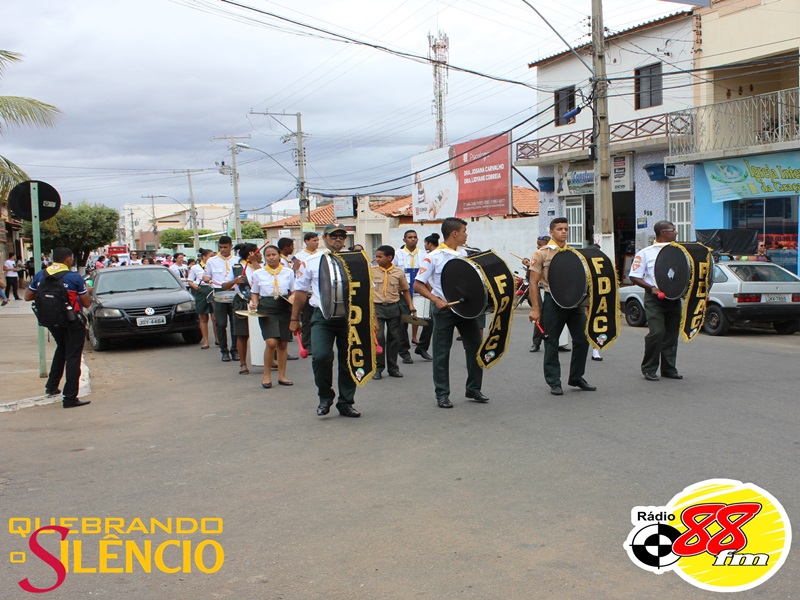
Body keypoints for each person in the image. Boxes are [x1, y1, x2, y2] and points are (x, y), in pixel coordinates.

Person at [414, 217, 489, 408]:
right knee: (441, 352)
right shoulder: (433, 257)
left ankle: (473, 388)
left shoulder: (466, 254)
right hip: (444, 309)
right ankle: (442, 393)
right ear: (454, 233)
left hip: (466, 309)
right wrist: (436, 300)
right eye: (464, 231)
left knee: (475, 347)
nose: (466, 234)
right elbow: (418, 284)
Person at [290, 222, 362, 418]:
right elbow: (301, 291)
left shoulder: (356, 261)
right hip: (322, 316)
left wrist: (371, 319)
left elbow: (365, 292)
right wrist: (294, 318)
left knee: (348, 361)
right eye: (333, 236)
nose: (337, 239)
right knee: (321, 357)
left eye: (341, 236)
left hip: (349, 318)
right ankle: (325, 396)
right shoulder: (312, 262)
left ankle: (346, 402)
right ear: (324, 238)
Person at [528, 217, 596, 396]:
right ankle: (554, 381)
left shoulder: (574, 253)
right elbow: (533, 283)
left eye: (566, 228)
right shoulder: (542, 253)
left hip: (574, 302)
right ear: (551, 232)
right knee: (551, 342)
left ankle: (576, 377)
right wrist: (536, 309)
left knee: (582, 339)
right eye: (559, 229)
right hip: (553, 301)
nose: (564, 232)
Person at [24, 247, 92, 408]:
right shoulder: (74, 277)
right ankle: (70, 398)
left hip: (51, 321)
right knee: (73, 356)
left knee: (61, 349)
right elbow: (87, 302)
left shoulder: (42, 274)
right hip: (72, 321)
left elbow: (28, 296)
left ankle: (52, 386)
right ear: (68, 259)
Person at [629, 220, 683, 382]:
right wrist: (651, 288)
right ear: (663, 233)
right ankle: (649, 368)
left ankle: (669, 369)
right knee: (657, 332)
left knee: (672, 334)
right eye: (673, 230)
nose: (676, 233)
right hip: (655, 299)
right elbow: (634, 276)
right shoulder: (646, 253)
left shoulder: (679, 252)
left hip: (674, 298)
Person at [251, 245, 295, 388]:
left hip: (283, 307)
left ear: (279, 255)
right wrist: (254, 304)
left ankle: (282, 376)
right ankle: (266, 375)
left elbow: (294, 291)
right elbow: (255, 292)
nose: (271, 257)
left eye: (274, 254)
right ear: (264, 257)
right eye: (268, 255)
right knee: (271, 342)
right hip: (267, 308)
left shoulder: (288, 272)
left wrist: (293, 299)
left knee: (282, 344)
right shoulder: (258, 273)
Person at [372, 245, 413, 380]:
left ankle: (393, 368)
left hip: (394, 307)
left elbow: (405, 289)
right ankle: (378, 368)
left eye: (380, 257)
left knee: (394, 338)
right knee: (379, 338)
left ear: (389, 258)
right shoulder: (372, 271)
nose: (377, 259)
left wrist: (411, 305)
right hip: (377, 308)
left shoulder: (398, 273)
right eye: (376, 256)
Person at [394, 229, 430, 361]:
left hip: (420, 292)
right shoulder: (398, 254)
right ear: (404, 240)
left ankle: (422, 348)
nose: (412, 239)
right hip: (403, 293)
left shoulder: (423, 254)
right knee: (403, 323)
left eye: (415, 237)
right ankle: (404, 352)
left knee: (427, 321)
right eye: (409, 237)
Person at [227, 243, 261, 374]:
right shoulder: (236, 268)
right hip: (242, 301)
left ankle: (268, 359)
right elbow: (224, 285)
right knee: (242, 334)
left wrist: (254, 262)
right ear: (251, 253)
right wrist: (233, 281)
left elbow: (262, 278)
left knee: (266, 332)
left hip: (259, 301)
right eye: (258, 252)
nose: (260, 254)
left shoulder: (261, 266)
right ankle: (243, 364)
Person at [205, 236, 238, 363]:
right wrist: (206, 278)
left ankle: (235, 350)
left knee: (235, 324)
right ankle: (224, 351)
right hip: (219, 293)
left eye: (225, 247)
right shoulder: (212, 261)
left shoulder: (237, 260)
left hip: (234, 293)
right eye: (220, 247)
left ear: (230, 246)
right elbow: (207, 275)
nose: (223, 250)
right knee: (221, 323)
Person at [411, 233, 439, 361]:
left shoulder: (433, 255)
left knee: (429, 322)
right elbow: (424, 277)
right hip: (429, 293)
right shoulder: (428, 256)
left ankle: (422, 347)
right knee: (422, 320)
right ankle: (414, 347)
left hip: (434, 293)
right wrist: (430, 293)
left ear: (428, 243)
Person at [294, 231, 321, 355]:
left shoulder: (321, 255)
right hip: (306, 291)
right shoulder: (299, 256)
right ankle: (307, 343)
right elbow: (296, 273)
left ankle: (317, 342)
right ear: (306, 241)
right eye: (313, 240)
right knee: (306, 320)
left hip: (316, 292)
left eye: (317, 240)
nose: (316, 243)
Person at [188, 248, 214, 349]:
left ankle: (218, 340)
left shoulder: (215, 265)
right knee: (203, 317)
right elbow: (190, 280)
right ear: (204, 257)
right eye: (210, 256)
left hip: (213, 289)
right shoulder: (195, 268)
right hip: (201, 291)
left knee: (216, 318)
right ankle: (205, 341)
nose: (213, 258)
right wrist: (194, 286)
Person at [529, 235, 549, 352]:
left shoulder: (552, 255)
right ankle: (536, 342)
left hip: (550, 291)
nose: (538, 246)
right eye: (537, 244)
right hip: (538, 290)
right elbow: (532, 279)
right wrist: (529, 266)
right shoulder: (538, 256)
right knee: (539, 315)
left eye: (540, 244)